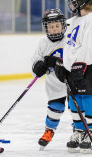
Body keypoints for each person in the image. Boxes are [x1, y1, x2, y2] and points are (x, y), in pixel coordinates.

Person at [54, 0, 92, 153]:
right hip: (74, 67)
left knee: (90, 99)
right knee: (74, 100)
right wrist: (62, 63)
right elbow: (68, 45)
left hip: (89, 65)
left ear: (82, 0)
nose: (70, 3)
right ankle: (80, 131)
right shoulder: (71, 21)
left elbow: (89, 47)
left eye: (73, 0)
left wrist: (80, 65)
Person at [31, 9, 68, 150]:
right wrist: (37, 66)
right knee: (55, 109)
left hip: (71, 82)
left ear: (63, 26)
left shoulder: (69, 39)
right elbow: (36, 58)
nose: (54, 29)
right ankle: (49, 132)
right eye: (51, 26)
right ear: (46, 27)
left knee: (77, 110)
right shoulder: (43, 42)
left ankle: (79, 132)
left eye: (57, 25)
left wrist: (59, 62)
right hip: (54, 84)